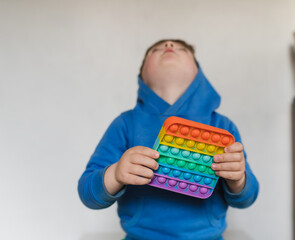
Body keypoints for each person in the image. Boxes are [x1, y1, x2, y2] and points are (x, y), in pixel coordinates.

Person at [78, 39, 259, 240]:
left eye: (182, 49)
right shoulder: (125, 124)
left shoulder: (223, 126)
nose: (169, 45)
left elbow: (247, 199)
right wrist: (115, 174)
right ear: (142, 76)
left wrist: (238, 179)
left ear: (199, 74)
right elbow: (87, 193)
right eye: (156, 49)